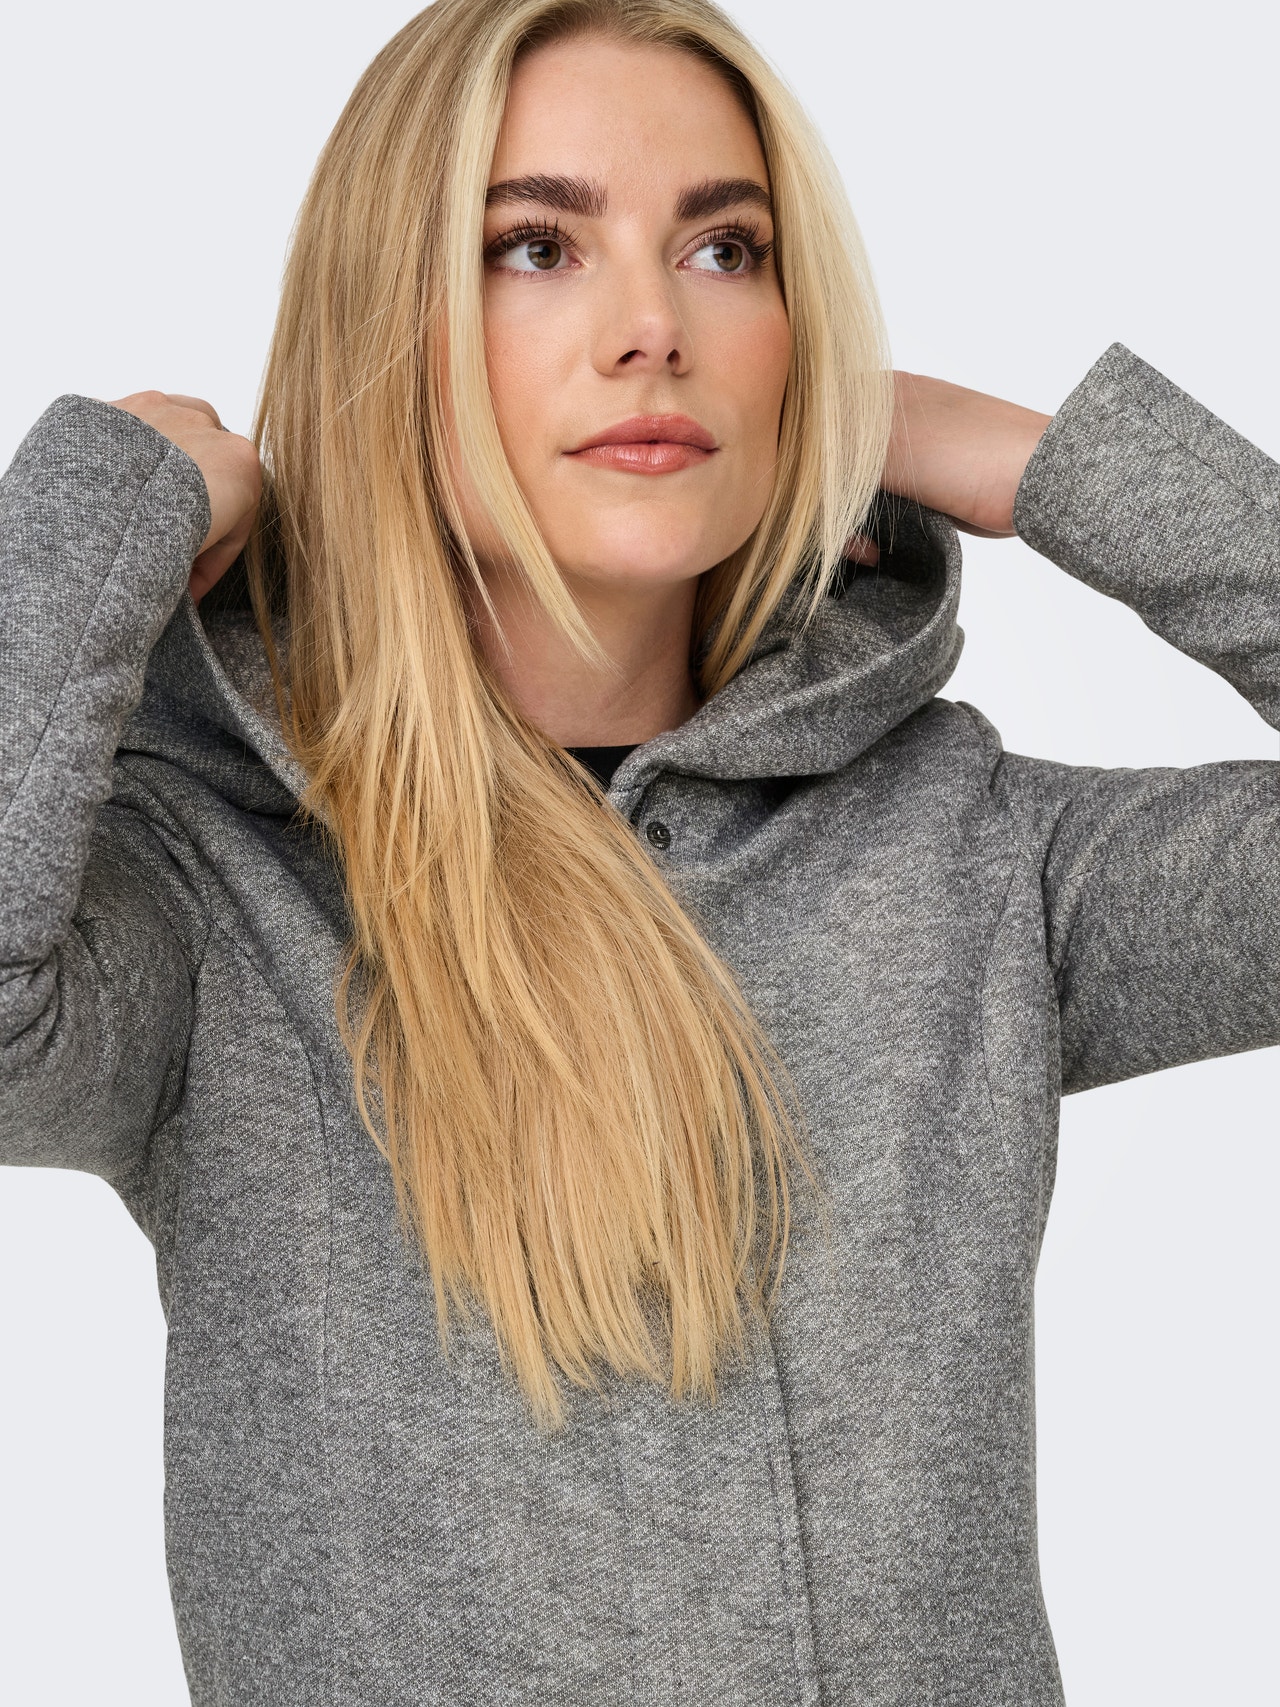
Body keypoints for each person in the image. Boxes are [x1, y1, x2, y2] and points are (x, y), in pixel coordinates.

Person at [0, 0, 1274, 1701]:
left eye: (725, 250)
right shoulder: (208, 889)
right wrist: (103, 511)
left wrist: (1036, 464)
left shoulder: (971, 854)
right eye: (535, 246)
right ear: (384, 325)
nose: (654, 328)